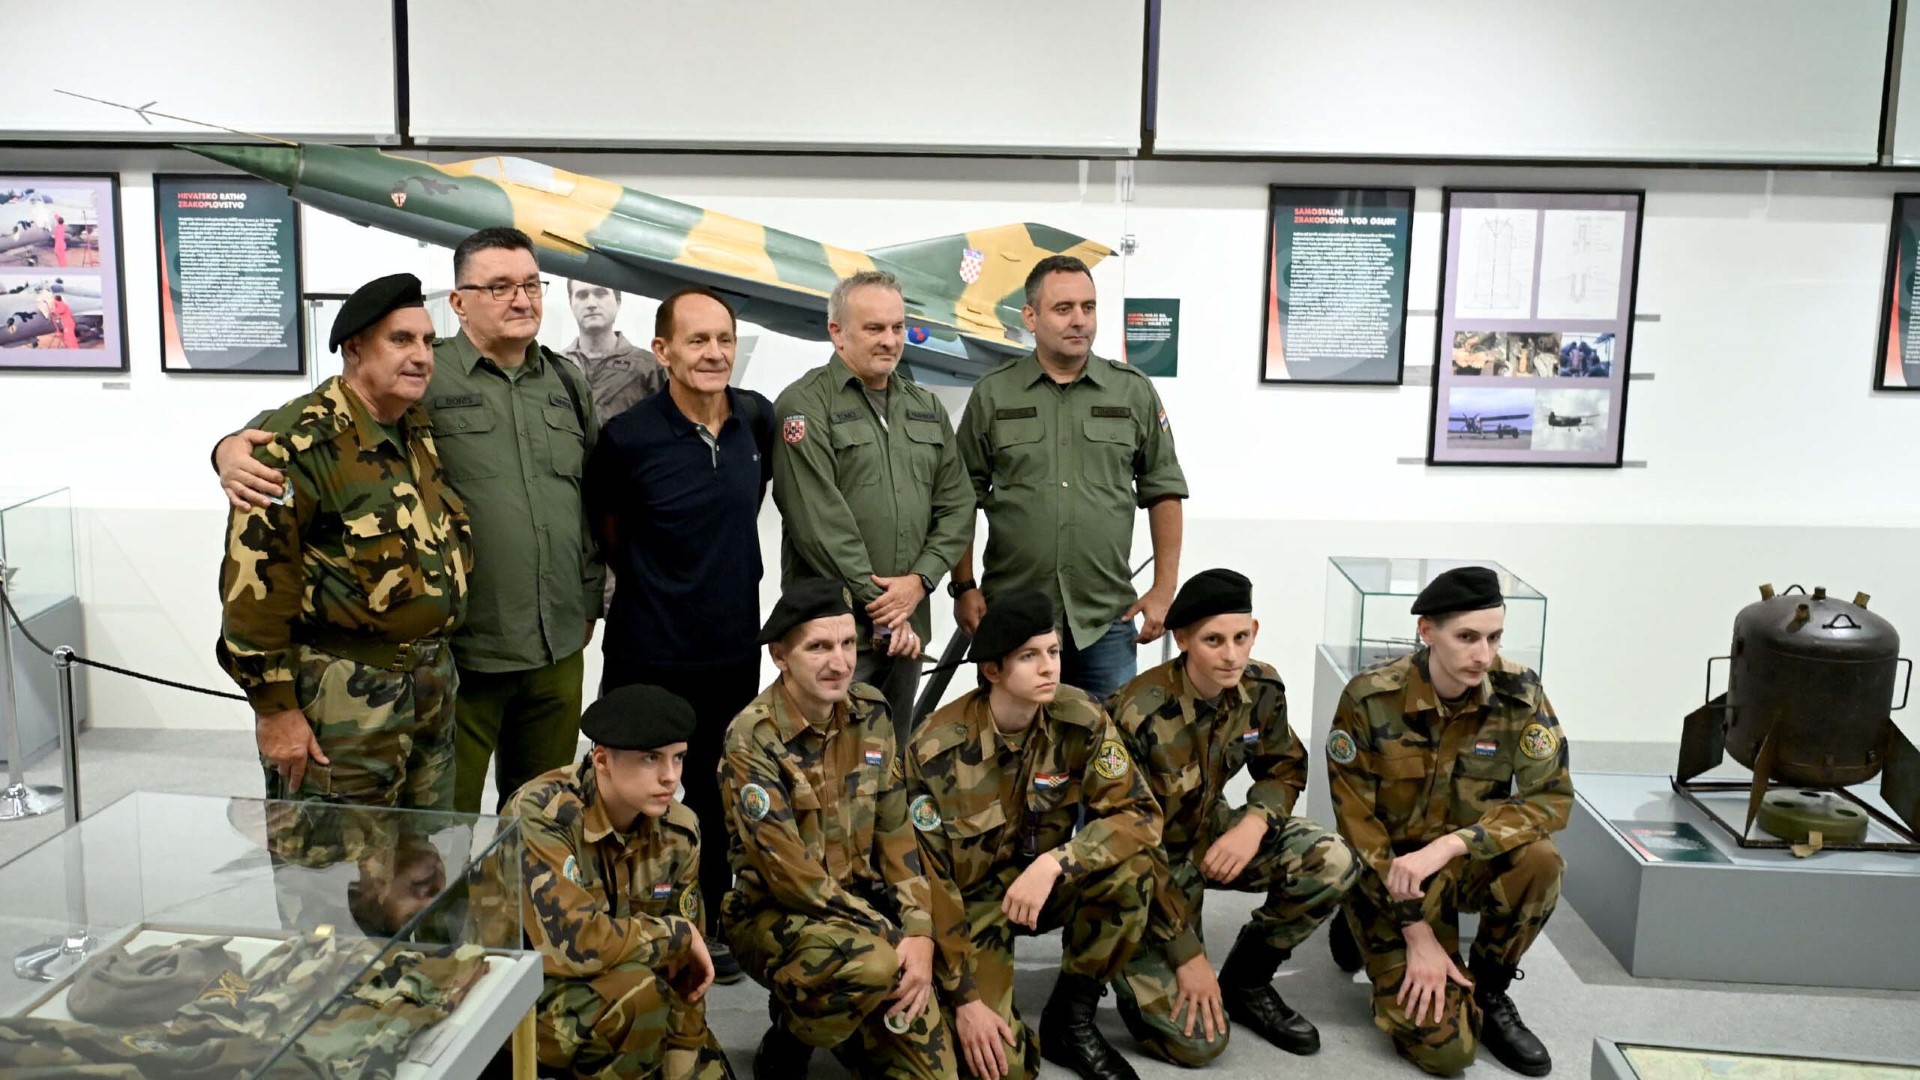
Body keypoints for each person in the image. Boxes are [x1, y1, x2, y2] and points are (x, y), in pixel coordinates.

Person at [216, 227, 604, 817]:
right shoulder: (425, 378)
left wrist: (588, 598)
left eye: (531, 284)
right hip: (464, 654)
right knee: (436, 829)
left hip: (543, 646)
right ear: (460, 302)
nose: (521, 299)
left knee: (533, 821)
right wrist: (226, 449)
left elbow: (590, 501)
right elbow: (297, 433)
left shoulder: (566, 383)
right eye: (499, 286)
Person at [216, 272, 471, 809]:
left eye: (428, 341)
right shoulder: (298, 442)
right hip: (343, 703)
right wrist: (274, 709)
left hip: (429, 690)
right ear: (354, 349)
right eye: (401, 340)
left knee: (425, 853)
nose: (422, 356)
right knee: (336, 857)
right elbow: (255, 589)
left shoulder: (415, 429)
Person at [584, 285, 774, 985]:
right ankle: (622, 926)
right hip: (650, 650)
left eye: (724, 339)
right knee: (634, 795)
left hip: (731, 650)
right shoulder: (627, 439)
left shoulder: (756, 419)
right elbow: (610, 535)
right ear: (663, 351)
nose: (714, 353)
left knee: (717, 793)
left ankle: (711, 920)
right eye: (697, 340)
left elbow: (743, 508)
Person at [1106, 569, 1358, 1067]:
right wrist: (1187, 954)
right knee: (1199, 1042)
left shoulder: (1260, 688)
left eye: (1241, 638)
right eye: (1214, 640)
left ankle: (1247, 981)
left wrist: (1254, 822)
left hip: (1211, 832)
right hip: (1146, 868)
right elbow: (1127, 845)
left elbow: (1284, 765)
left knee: (1331, 860)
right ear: (1182, 640)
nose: (1231, 655)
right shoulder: (1138, 714)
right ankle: (1132, 961)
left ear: (1254, 631)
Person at [1326, 566, 1570, 1077]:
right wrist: (1416, 933)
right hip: (1387, 878)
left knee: (1541, 860)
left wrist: (1453, 845)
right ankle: (1362, 925)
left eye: (1494, 637)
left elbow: (1550, 798)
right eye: (1467, 637)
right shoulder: (1371, 698)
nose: (1483, 654)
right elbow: (1358, 825)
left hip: (1459, 863)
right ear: (1427, 631)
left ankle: (1488, 989)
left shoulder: (1519, 692)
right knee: (1449, 1052)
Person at [906, 590, 1159, 1080]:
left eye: (1053, 651)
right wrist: (965, 999)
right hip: (970, 909)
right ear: (992, 670)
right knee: (1005, 1067)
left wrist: (1056, 862)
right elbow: (927, 882)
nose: (1049, 667)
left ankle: (1071, 1019)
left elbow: (1139, 815)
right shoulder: (935, 750)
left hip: (1044, 886)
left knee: (1132, 869)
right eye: (1029, 656)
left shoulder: (1080, 718)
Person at [718, 579, 956, 1080]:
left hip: (859, 913)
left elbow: (897, 838)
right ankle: (792, 1035)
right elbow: (792, 879)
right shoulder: (753, 738)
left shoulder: (871, 714)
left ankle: (843, 1018)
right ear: (780, 656)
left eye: (848, 643)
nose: (840, 662)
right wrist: (894, 937)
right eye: (819, 647)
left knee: (933, 1074)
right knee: (876, 966)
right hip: (775, 915)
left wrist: (918, 930)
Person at [952, 255, 1187, 703]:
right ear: (1030, 317)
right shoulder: (994, 394)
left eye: (1088, 307)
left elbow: (1165, 490)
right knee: (1011, 742)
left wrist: (1163, 589)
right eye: (1063, 309)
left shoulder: (1132, 390)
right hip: (1015, 617)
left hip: (1105, 619)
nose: (1079, 320)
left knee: (1108, 742)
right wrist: (963, 587)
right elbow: (962, 496)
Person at [772, 270, 973, 735]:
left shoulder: (926, 408)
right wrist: (886, 608)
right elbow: (819, 525)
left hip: (906, 635)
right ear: (837, 332)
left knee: (888, 760)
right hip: (832, 637)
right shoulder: (805, 407)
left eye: (897, 327)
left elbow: (958, 504)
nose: (890, 340)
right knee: (821, 759)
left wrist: (920, 581)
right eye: (874, 328)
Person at [507, 684, 734, 1080]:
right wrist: (676, 934)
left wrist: (684, 1050)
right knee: (640, 997)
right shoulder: (543, 814)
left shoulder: (680, 829)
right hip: (529, 999)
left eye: (678, 758)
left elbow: (687, 970)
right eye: (650, 758)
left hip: (628, 988)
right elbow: (577, 944)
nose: (670, 777)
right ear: (602, 760)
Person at [560, 278, 663, 424]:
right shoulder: (555, 366)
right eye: (582, 295)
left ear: (618, 302)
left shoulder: (649, 367)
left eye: (600, 293)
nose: (591, 304)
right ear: (571, 303)